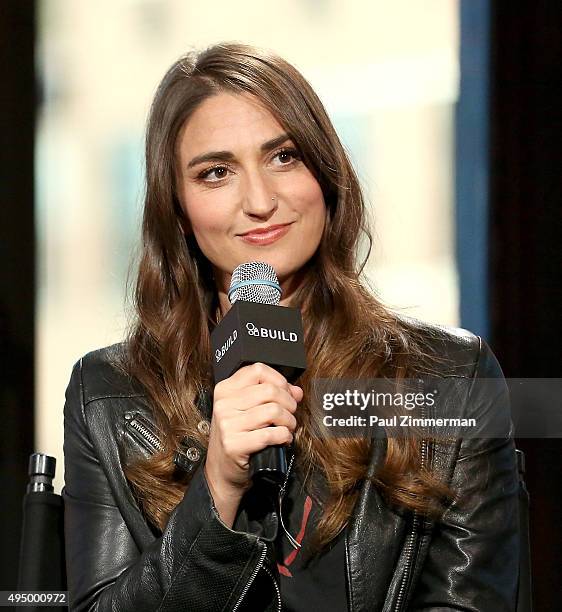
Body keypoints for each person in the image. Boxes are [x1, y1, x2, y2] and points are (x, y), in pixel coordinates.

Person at [63, 42, 520, 611]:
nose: (260, 201)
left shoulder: (452, 377)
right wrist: (219, 491)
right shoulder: (107, 394)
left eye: (283, 157)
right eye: (216, 173)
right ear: (177, 208)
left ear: (325, 172)